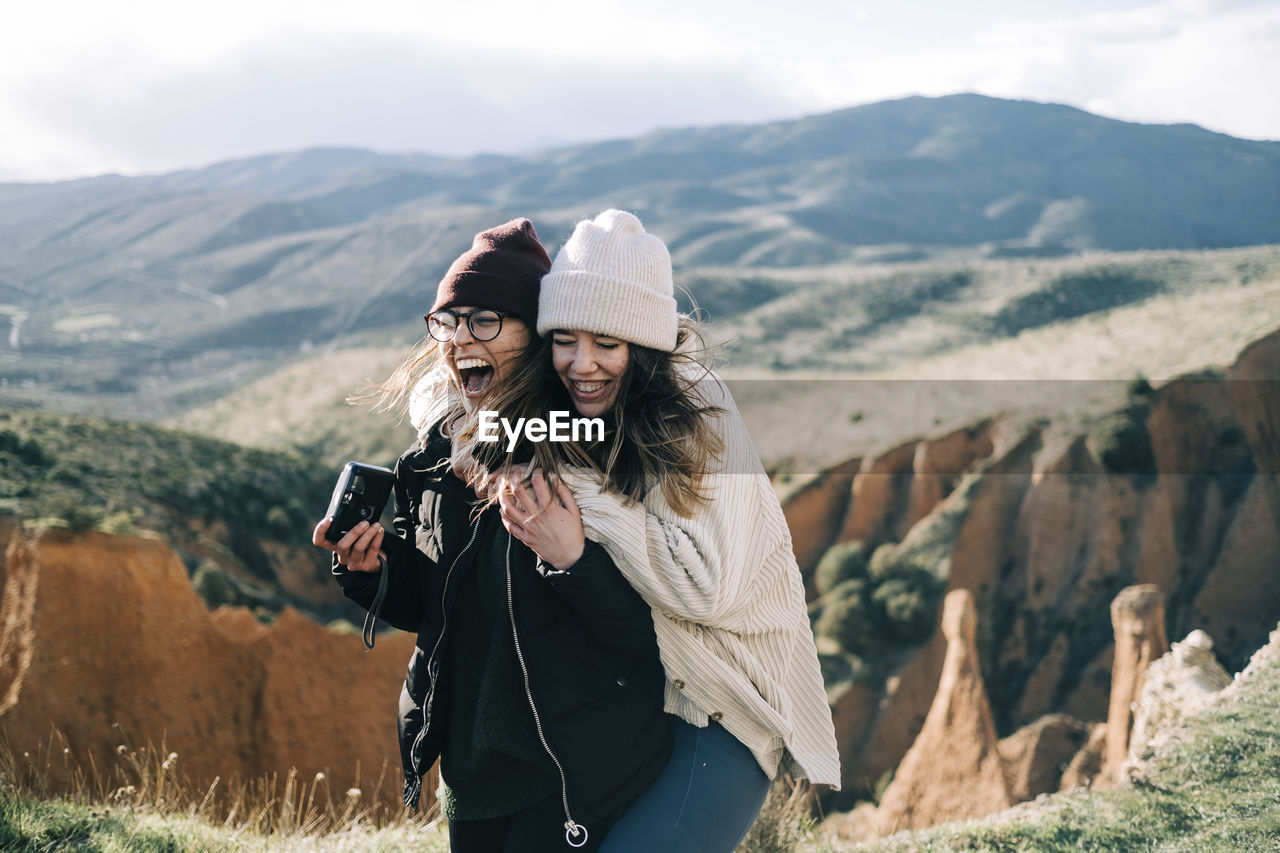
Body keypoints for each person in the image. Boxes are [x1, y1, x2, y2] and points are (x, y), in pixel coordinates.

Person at [471, 209, 842, 852]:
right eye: (565, 339)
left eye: (607, 344)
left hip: (721, 712)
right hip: (635, 704)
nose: (581, 365)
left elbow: (702, 587)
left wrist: (575, 493)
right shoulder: (575, 409)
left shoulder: (701, 413)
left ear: (644, 347)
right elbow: (456, 407)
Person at [312, 218, 671, 853]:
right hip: (470, 770)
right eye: (449, 322)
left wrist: (573, 561)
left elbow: (650, 640)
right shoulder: (430, 458)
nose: (459, 340)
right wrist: (368, 572)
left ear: (535, 337)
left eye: (485, 321)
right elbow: (432, 613)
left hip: (564, 769)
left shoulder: (580, 455)